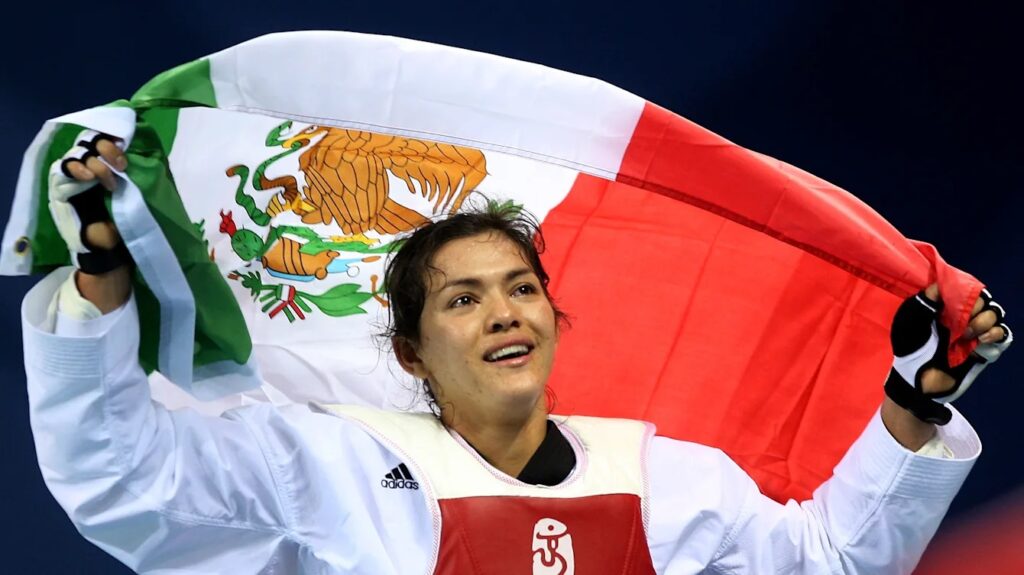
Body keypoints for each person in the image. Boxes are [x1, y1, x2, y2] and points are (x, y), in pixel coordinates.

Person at [22, 132, 1012, 574]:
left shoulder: (666, 482)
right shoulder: (331, 462)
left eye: (522, 287)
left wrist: (908, 401)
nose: (504, 313)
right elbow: (122, 473)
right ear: (410, 351)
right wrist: (105, 271)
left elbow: (832, 559)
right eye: (463, 298)